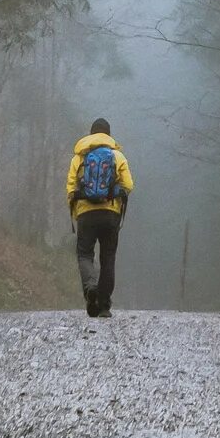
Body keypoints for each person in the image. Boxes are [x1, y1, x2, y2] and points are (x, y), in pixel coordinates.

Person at [64, 118, 133, 318]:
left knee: (85, 254)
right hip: (110, 213)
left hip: (86, 214)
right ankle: (103, 305)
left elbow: (70, 188)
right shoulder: (117, 156)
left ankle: (90, 288)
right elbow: (128, 185)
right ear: (108, 135)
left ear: (91, 134)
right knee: (108, 258)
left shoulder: (79, 157)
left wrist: (78, 204)